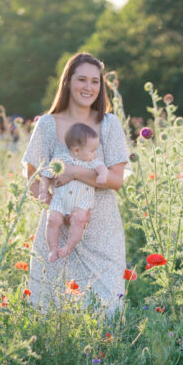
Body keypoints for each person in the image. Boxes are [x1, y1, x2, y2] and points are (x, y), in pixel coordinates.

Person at [22, 52, 129, 313]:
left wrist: (74, 172)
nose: (89, 87)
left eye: (95, 81)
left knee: (106, 310)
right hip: (57, 231)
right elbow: (32, 177)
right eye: (82, 79)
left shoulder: (109, 124)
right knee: (52, 308)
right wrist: (55, 208)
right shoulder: (47, 124)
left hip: (101, 228)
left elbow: (116, 180)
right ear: (68, 82)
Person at [38, 123, 108, 262]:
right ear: (76, 150)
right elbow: (45, 175)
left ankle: (69, 247)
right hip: (60, 200)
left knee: (79, 220)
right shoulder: (60, 160)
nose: (95, 154)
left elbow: (103, 169)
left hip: (81, 201)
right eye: (92, 150)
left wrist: (102, 176)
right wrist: (43, 192)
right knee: (52, 220)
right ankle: (53, 248)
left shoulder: (92, 162)